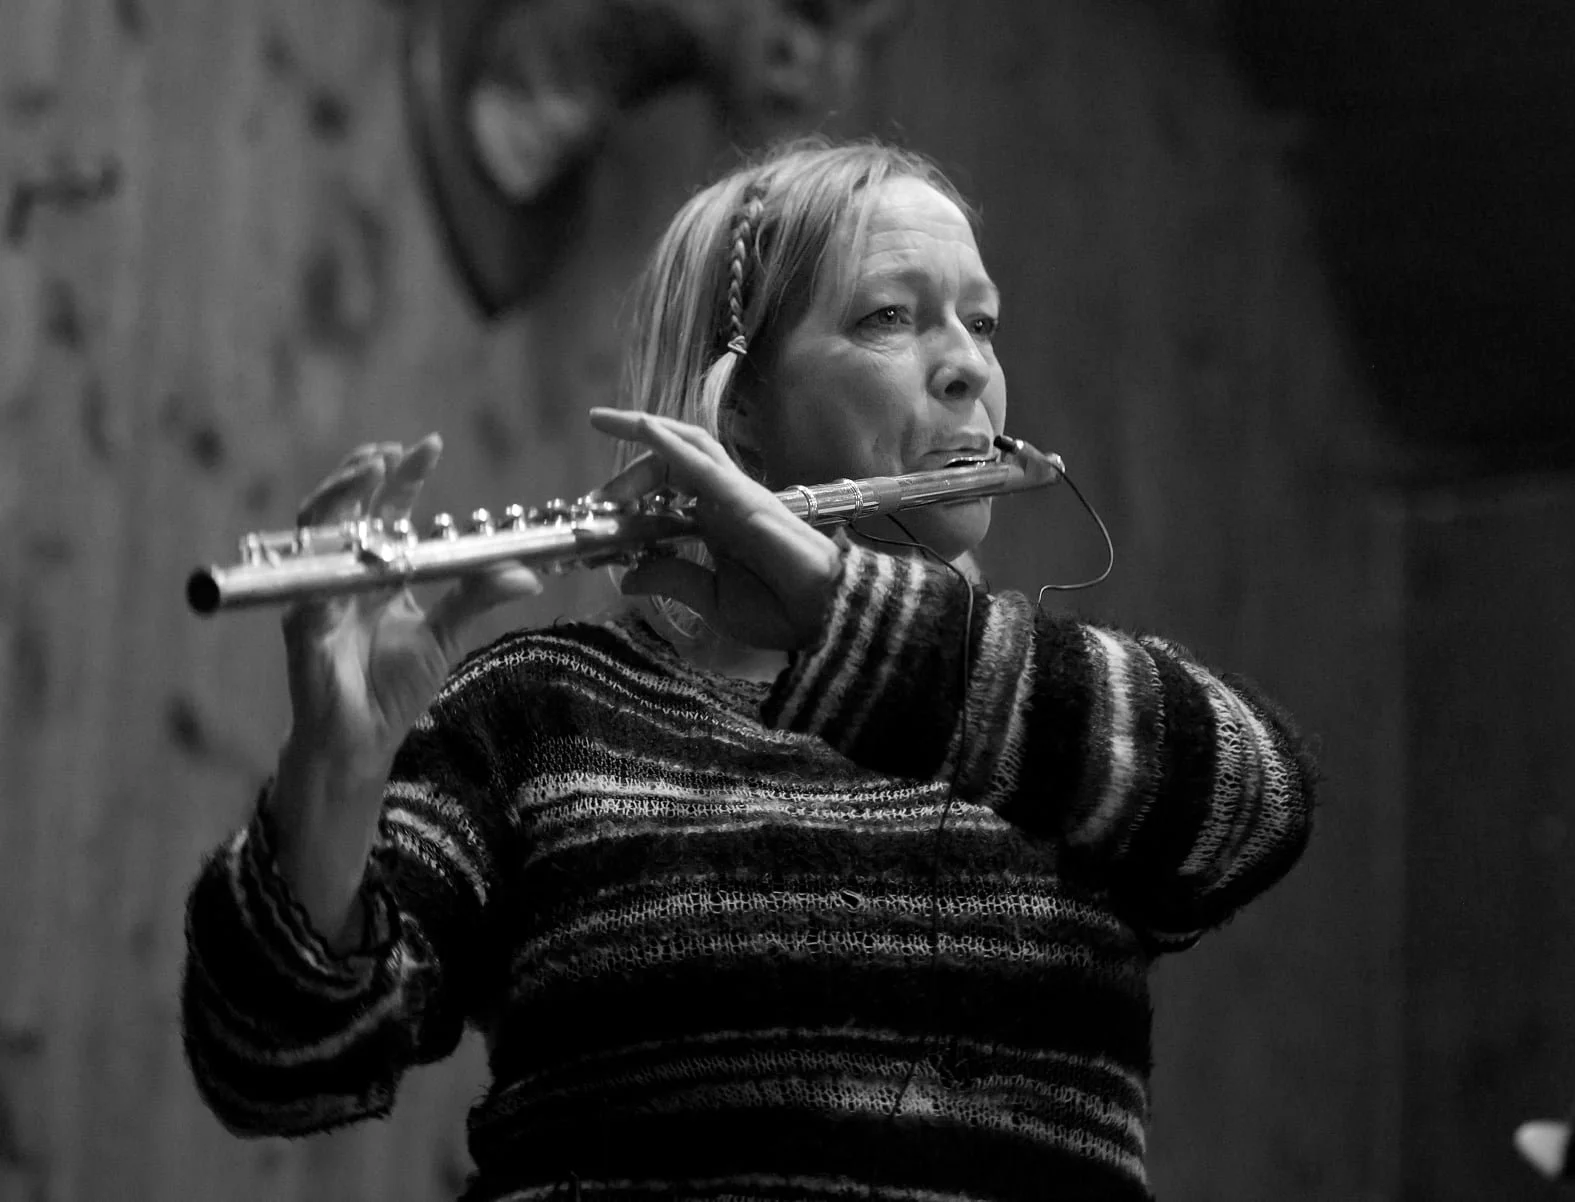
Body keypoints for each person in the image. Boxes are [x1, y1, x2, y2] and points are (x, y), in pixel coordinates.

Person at [180, 138, 1317, 1202]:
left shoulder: (1055, 717)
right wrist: (331, 769)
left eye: (981, 320)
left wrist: (845, 608)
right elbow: (276, 1062)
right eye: (888, 319)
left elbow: (1257, 806)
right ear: (742, 415)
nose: (970, 367)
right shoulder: (545, 711)